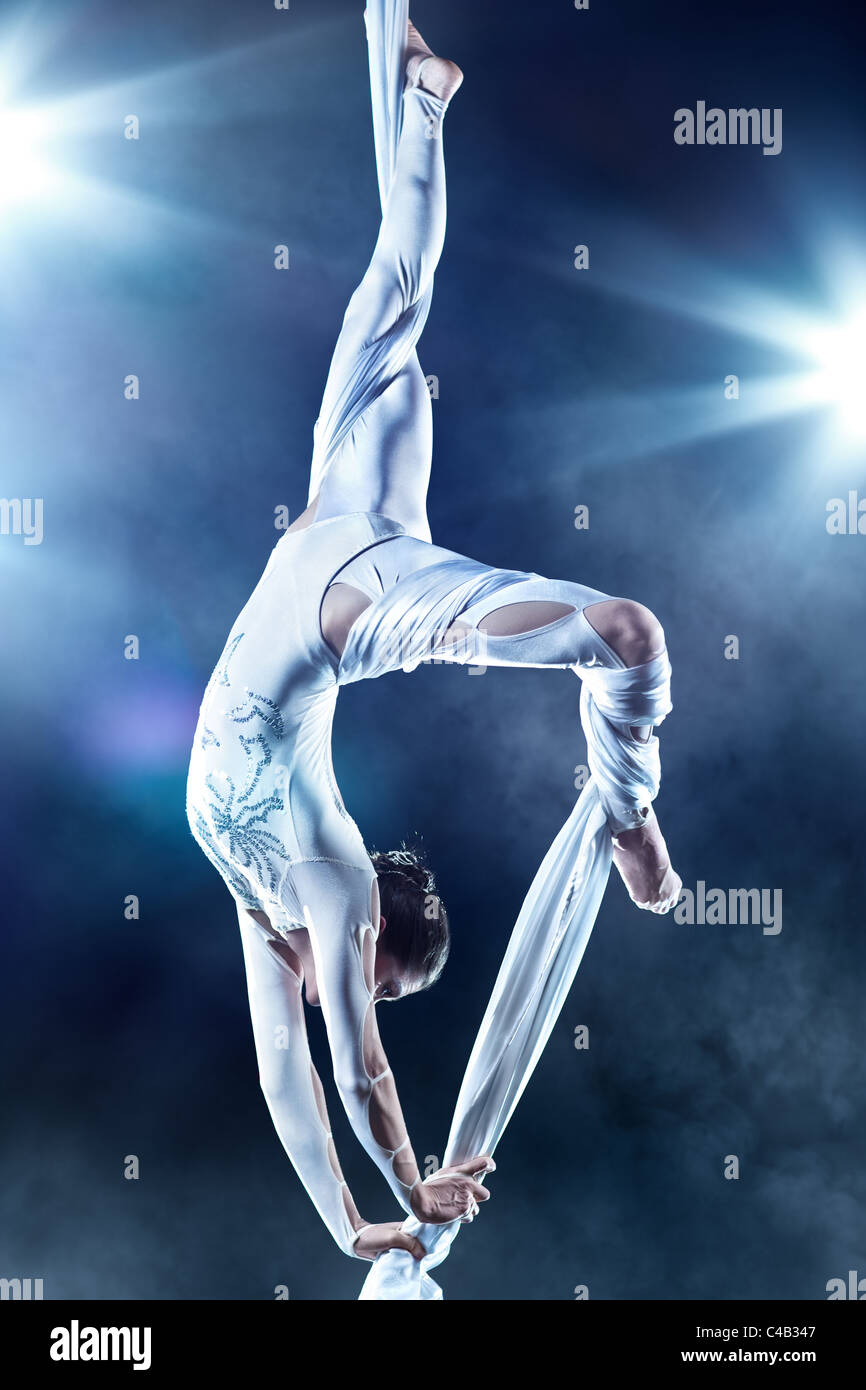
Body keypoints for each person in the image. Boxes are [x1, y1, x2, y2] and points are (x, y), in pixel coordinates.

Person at [186, 6, 681, 1285]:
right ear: (375, 942)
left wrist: (347, 1226)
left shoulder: (262, 907)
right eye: (385, 982)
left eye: (381, 991)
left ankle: (414, 85)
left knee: (394, 284)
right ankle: (625, 803)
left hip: (334, 525)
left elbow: (281, 1073)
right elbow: (350, 1066)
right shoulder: (329, 895)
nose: (362, 995)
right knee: (623, 636)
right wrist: (416, 1185)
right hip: (373, 599)